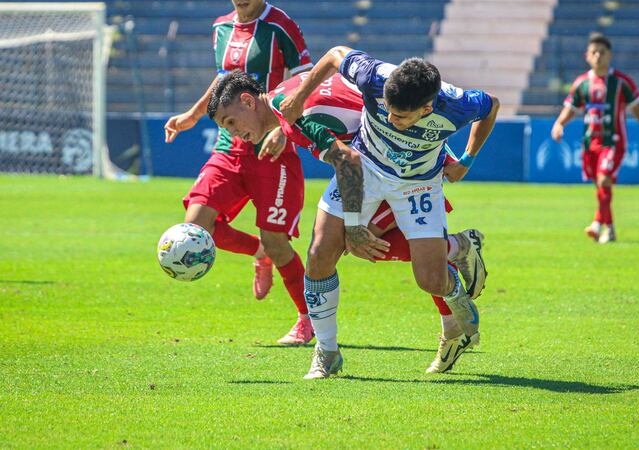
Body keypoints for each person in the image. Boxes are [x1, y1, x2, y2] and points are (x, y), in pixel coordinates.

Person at [207, 69, 488, 373]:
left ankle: (453, 249)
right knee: (321, 254)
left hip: (408, 167)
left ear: (248, 101)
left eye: (231, 122)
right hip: (374, 163)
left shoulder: (292, 112)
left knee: (362, 241)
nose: (233, 134)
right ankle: (327, 351)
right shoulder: (287, 96)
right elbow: (334, 62)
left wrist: (353, 226)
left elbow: (347, 161)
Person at [280, 47, 500, 379]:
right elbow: (335, 54)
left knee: (430, 280)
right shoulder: (374, 77)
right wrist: (299, 96)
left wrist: (467, 159)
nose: (391, 119)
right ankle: (326, 351)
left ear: (427, 108)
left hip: (418, 185)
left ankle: (457, 287)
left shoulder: (457, 104)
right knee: (319, 254)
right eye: (388, 110)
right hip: (365, 168)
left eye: (401, 117)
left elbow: (492, 106)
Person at [163, 0, 313, 345]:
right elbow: (222, 84)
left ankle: (306, 318)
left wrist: (285, 126)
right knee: (196, 224)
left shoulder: (282, 28)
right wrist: (193, 116)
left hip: (272, 150)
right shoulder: (220, 28)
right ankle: (258, 252)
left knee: (280, 242)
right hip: (230, 147)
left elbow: (307, 83)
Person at [551, 33, 639, 243]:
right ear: (587, 56)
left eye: (602, 52)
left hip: (614, 141)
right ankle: (598, 223)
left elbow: (637, 109)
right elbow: (572, 108)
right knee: (600, 186)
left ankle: (609, 229)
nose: (598, 56)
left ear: (610, 55)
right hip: (590, 143)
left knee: (604, 179)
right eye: (594, 52)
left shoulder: (621, 82)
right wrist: (559, 123)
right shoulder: (582, 83)